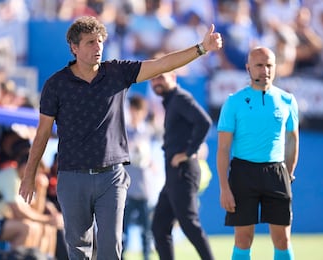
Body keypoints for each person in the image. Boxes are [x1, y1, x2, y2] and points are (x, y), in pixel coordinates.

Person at [18, 15, 222, 260]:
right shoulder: (56, 85)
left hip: (111, 177)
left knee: (111, 246)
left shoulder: (117, 72)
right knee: (78, 249)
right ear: (74, 47)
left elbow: (161, 64)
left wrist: (201, 49)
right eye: (90, 42)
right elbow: (42, 134)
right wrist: (29, 176)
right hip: (72, 177)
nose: (98, 47)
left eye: (100, 41)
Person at [216, 47, 299, 260]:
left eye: (269, 65)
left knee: (283, 240)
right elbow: (223, 148)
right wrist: (224, 188)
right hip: (243, 172)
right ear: (248, 68)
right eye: (259, 65)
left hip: (276, 172)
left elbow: (292, 140)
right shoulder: (234, 102)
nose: (265, 70)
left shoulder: (287, 100)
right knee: (243, 239)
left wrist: (288, 174)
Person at [149, 62, 215, 260]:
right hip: (174, 175)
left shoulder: (180, 98)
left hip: (183, 171)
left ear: (174, 78)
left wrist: (189, 152)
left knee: (189, 224)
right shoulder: (171, 101)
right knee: (160, 227)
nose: (156, 82)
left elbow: (205, 122)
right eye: (153, 78)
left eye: (161, 77)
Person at [122, 95, 154, 260]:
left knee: (146, 230)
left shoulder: (147, 132)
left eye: (137, 111)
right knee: (122, 230)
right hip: (126, 188)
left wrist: (147, 159)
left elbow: (150, 159)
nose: (134, 114)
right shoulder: (124, 131)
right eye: (132, 110)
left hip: (144, 189)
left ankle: (146, 256)